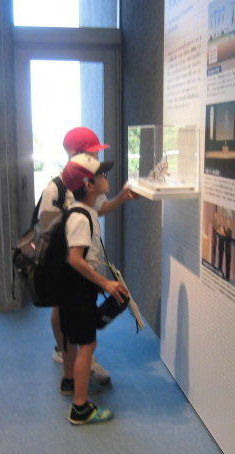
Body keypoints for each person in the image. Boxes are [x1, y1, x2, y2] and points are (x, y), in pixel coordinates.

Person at [39, 127, 136, 387]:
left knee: (76, 318)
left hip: (80, 264)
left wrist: (121, 198)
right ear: (75, 153)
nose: (96, 157)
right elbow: (46, 230)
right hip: (66, 266)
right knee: (63, 312)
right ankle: (70, 358)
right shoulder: (55, 189)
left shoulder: (91, 179)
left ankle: (74, 364)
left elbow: (97, 209)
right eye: (91, 152)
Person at [59, 152, 129, 425]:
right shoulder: (80, 218)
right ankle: (80, 408)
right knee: (87, 345)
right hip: (77, 290)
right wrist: (105, 283)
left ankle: (76, 386)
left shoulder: (85, 210)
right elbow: (75, 259)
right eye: (102, 175)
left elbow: (99, 212)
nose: (106, 179)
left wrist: (122, 198)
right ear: (88, 185)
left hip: (78, 288)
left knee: (86, 342)